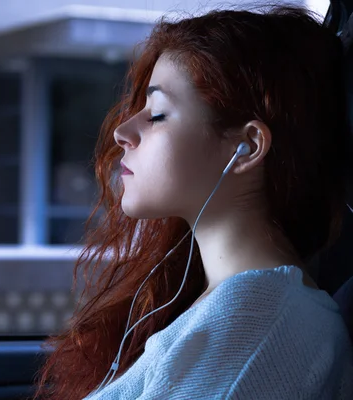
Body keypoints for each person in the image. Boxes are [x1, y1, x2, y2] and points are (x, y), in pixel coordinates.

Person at [33, 4, 353, 400]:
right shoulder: (229, 306)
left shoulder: (254, 325)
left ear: (248, 146)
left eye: (158, 114)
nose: (122, 132)